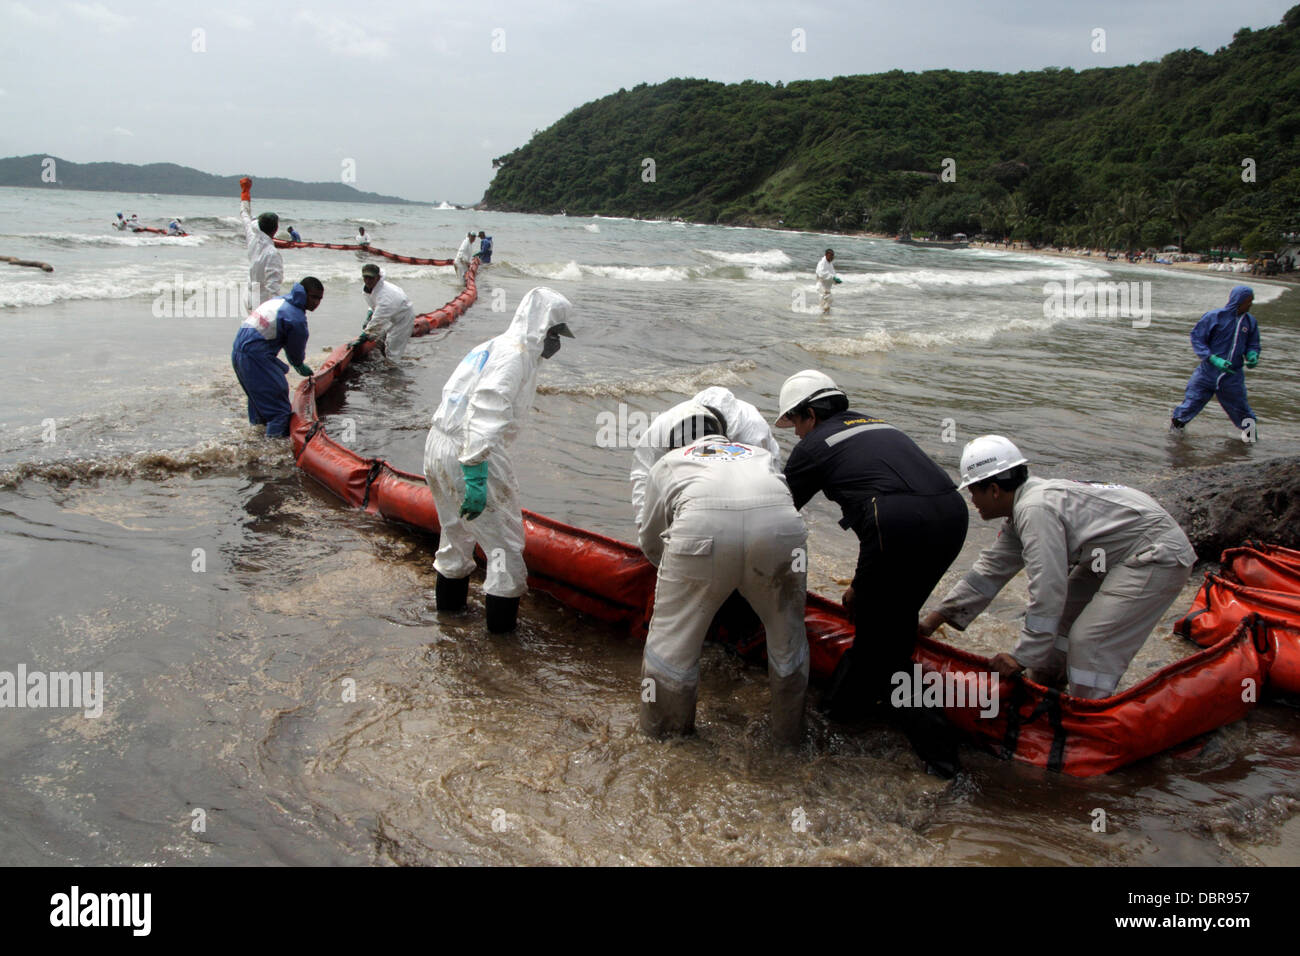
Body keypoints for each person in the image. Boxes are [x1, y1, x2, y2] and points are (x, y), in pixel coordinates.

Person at [776, 369, 968, 776]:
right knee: (887, 629)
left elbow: (777, 509)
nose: (795, 433)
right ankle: (844, 711)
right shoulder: (877, 424)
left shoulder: (814, 446)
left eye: (794, 421)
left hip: (898, 524)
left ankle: (942, 759)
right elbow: (887, 502)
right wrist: (863, 585)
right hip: (952, 515)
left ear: (810, 413)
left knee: (886, 647)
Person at [919, 435, 1196, 700]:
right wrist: (935, 619)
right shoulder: (1023, 508)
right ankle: (1047, 689)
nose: (972, 502)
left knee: (1089, 640)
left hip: (1155, 553)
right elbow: (989, 571)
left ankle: (1086, 716)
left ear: (993, 490)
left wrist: (1020, 656)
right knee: (1061, 622)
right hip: (1114, 552)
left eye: (972, 491)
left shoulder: (1035, 510)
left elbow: (1048, 588)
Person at [636, 402, 809, 746]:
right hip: (783, 534)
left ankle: (667, 737)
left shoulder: (669, 463)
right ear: (721, 433)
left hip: (702, 534)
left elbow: (650, 538)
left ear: (676, 441)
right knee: (787, 636)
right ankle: (789, 738)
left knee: (672, 643)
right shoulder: (758, 454)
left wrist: (686, 580)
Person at [422, 287, 575, 633]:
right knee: (504, 550)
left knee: (455, 537)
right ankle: (502, 647)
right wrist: (475, 470)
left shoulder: (489, 347)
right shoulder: (515, 354)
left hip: (439, 445)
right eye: (555, 335)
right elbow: (487, 408)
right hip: (472, 452)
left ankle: (448, 622)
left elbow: (456, 396)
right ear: (541, 328)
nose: (556, 345)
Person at [630, 386, 781, 528]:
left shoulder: (751, 434)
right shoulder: (663, 428)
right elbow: (644, 475)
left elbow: (767, 482)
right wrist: (644, 526)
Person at [230, 277, 323, 438]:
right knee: (279, 411)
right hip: (255, 357)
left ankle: (255, 444)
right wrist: (298, 364)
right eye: (314, 297)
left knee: (259, 405)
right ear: (303, 294)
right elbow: (295, 350)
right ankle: (274, 453)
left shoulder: (278, 301)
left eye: (320, 299)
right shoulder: (296, 318)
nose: (317, 303)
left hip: (238, 352)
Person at [1170, 286, 1260, 435]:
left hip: (1232, 377)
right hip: (1206, 373)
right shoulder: (1214, 317)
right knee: (1189, 405)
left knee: (1242, 411)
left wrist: (1252, 354)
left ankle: (1250, 443)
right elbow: (1197, 338)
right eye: (1248, 301)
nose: (1251, 304)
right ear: (1239, 301)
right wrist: (1211, 357)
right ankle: (1174, 440)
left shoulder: (1250, 322)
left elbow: (1253, 343)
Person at [352, 263, 415, 359]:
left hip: (402, 318)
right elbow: (374, 303)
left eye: (371, 278)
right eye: (366, 277)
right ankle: (383, 356)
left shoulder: (385, 296)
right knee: (381, 340)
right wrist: (370, 313)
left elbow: (378, 320)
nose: (368, 281)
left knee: (394, 348)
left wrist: (365, 335)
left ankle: (392, 367)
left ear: (378, 277)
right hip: (390, 314)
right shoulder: (369, 289)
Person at [238, 177, 283, 310]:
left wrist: (245, 191)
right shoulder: (272, 253)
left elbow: (244, 214)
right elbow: (273, 287)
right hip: (262, 303)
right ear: (275, 230)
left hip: (249, 297)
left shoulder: (252, 236)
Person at [815, 248, 842, 314]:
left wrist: (835, 280)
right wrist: (833, 277)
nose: (832, 257)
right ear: (826, 255)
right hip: (821, 286)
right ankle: (821, 316)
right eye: (831, 256)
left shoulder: (830, 264)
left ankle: (824, 318)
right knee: (826, 301)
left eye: (833, 256)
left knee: (827, 302)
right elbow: (821, 274)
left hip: (827, 287)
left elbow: (833, 273)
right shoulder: (822, 263)